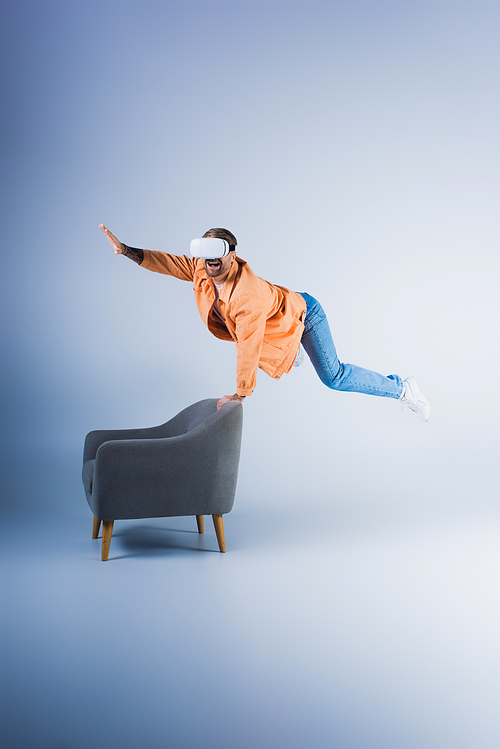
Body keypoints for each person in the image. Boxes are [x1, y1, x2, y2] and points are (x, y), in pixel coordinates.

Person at [99, 224, 431, 420]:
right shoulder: (202, 268)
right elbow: (169, 263)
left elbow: (247, 348)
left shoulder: (247, 296)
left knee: (334, 377)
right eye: (205, 258)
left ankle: (402, 389)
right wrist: (128, 250)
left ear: (232, 255)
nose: (209, 264)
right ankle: (290, 349)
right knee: (259, 342)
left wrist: (241, 395)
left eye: (217, 257)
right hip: (277, 315)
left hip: (304, 315)